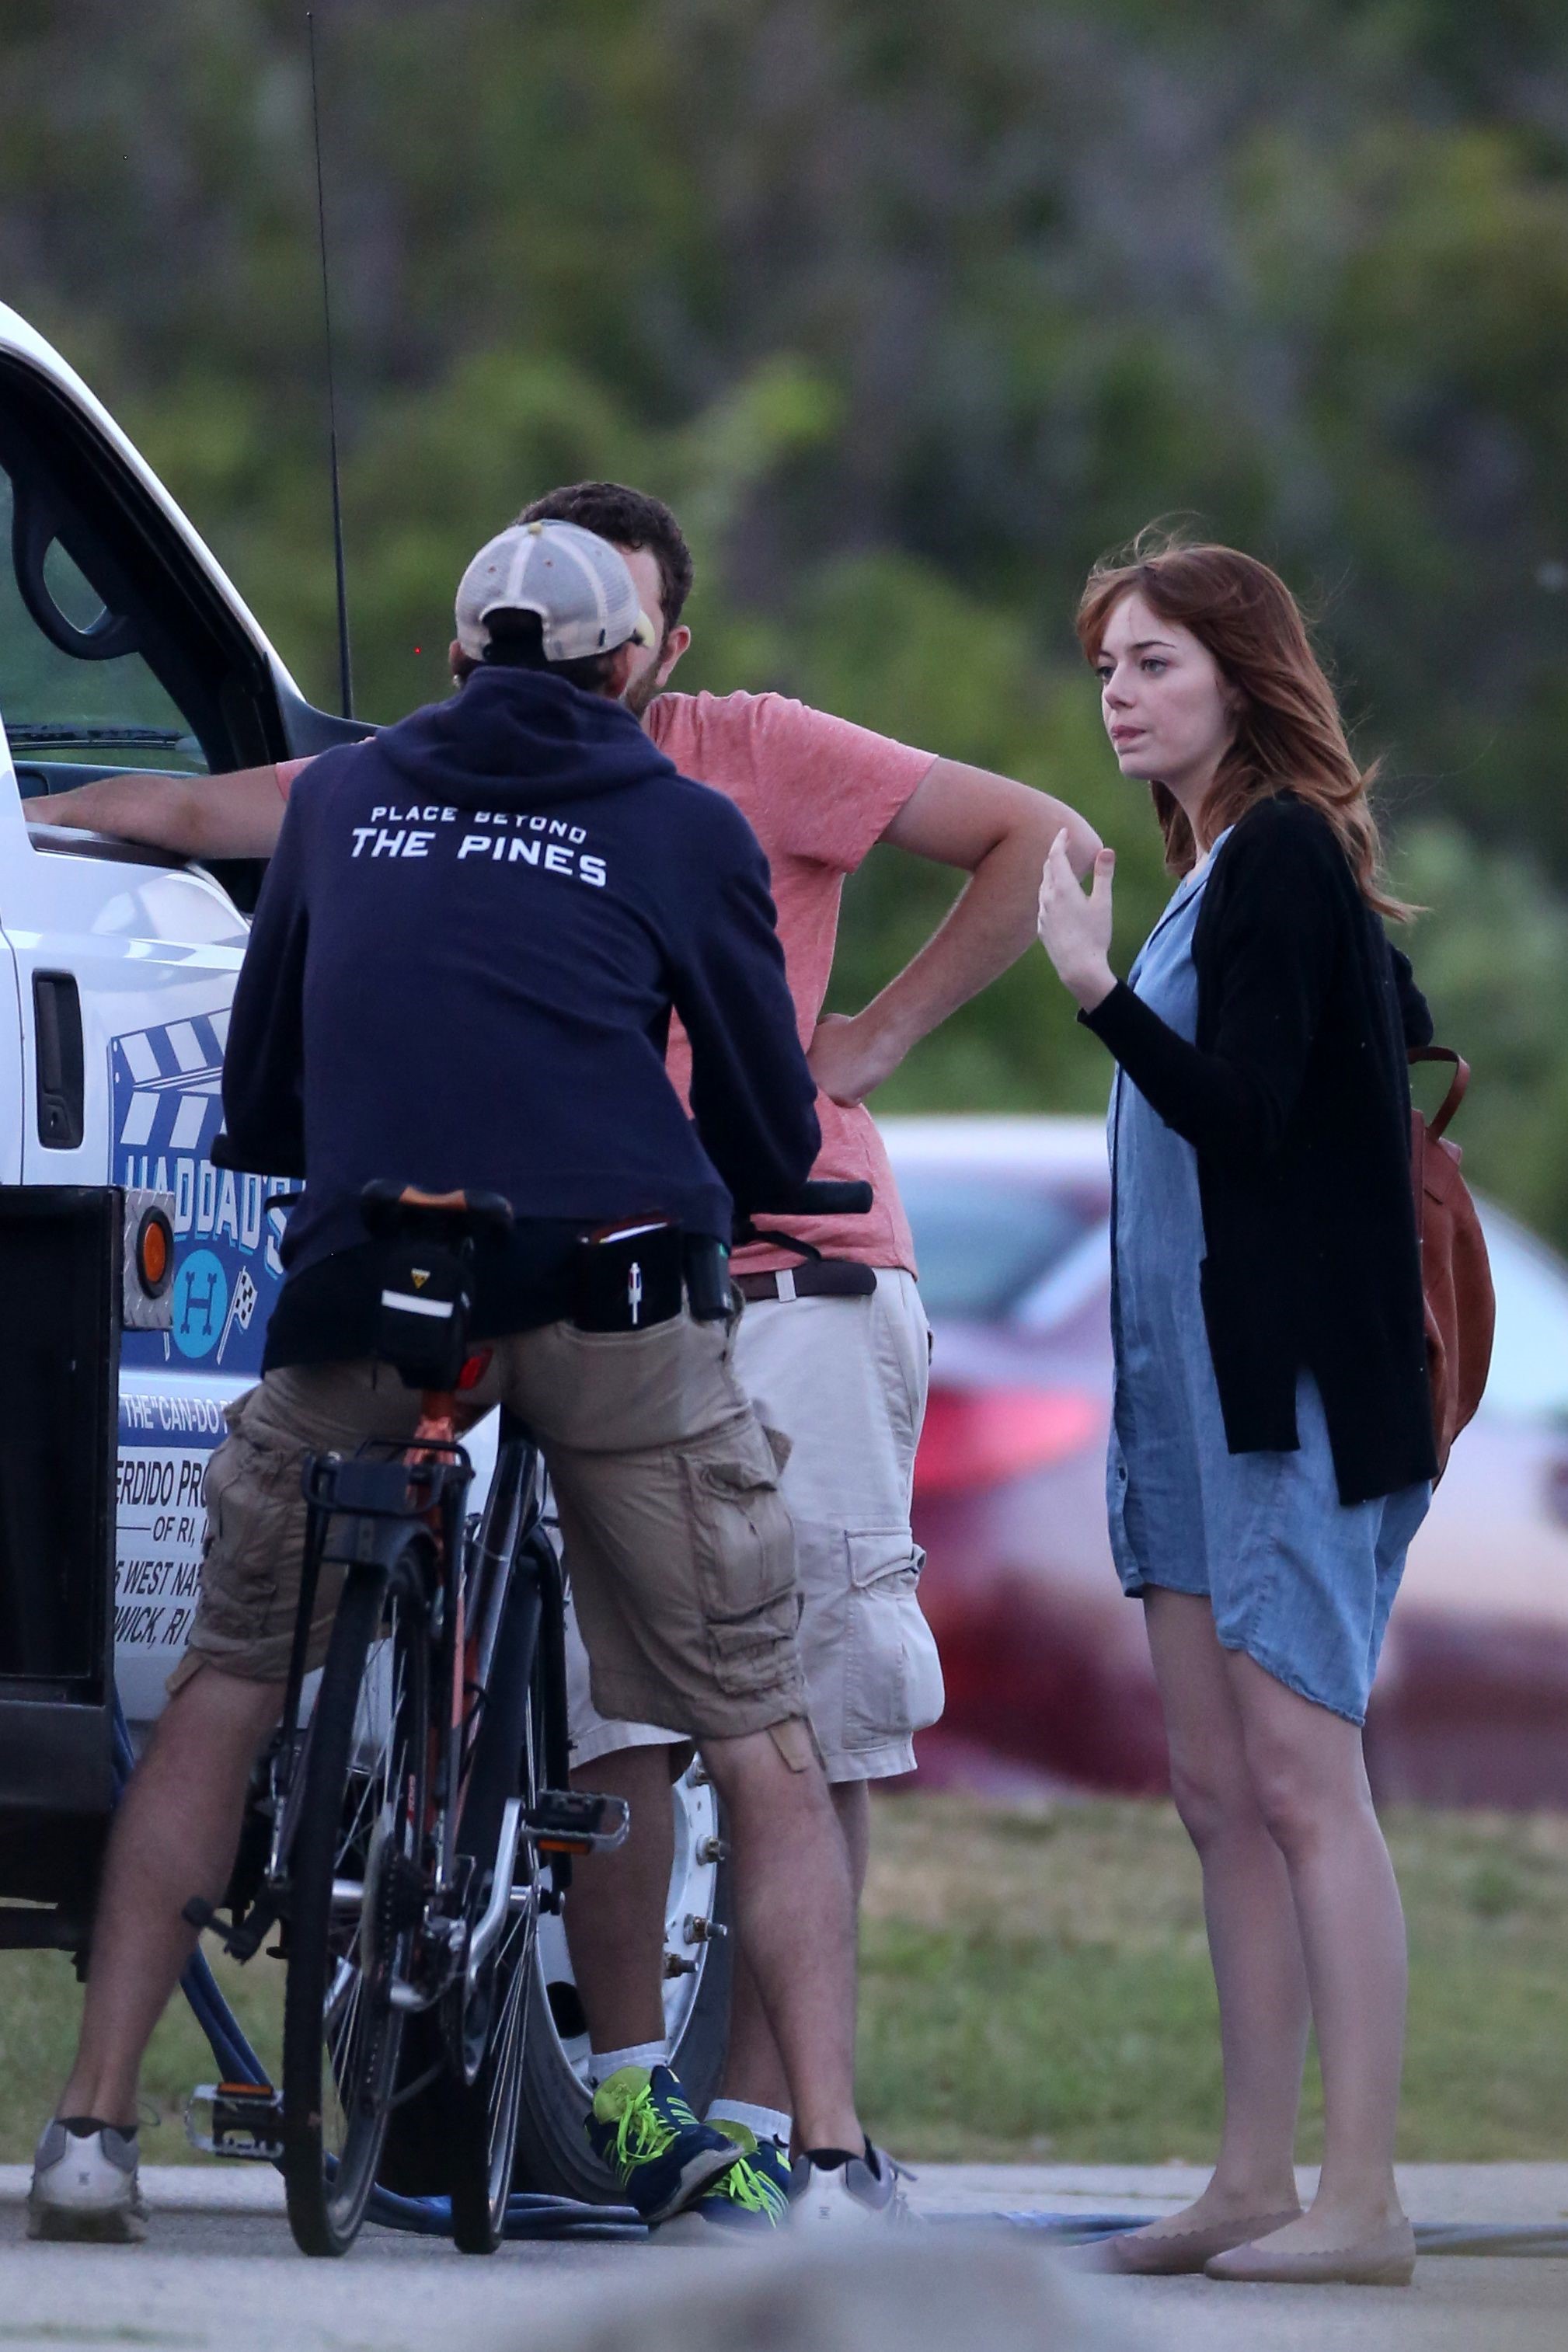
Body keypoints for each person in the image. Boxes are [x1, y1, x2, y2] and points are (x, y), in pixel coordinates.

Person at [30, 483, 1102, 2232]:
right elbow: (763, 1122)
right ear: (634, 665)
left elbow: (259, 1097)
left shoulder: (349, 798)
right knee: (751, 1716)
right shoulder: (680, 813)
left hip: (378, 1286)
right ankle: (821, 2151)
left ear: (455, 652)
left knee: (231, 1676)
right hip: (613, 1296)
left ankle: (90, 2132)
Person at [1035, 535, 1434, 2291]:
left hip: (1290, 1398)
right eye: (1110, 666)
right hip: (1188, 1403)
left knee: (1299, 1772)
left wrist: (1095, 991)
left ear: (1238, 676)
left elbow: (1256, 1118)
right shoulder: (1219, 866)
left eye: (1152, 664)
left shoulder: (1277, 853)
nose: (1118, 693)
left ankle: (1364, 2197)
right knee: (1213, 1783)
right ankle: (1251, 2177)